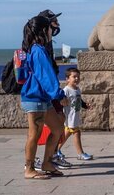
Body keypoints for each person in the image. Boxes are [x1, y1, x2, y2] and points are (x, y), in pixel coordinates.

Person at [20, 16, 68, 180]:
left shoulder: (36, 49)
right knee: (34, 133)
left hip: (42, 98)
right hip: (35, 98)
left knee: (57, 128)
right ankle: (29, 168)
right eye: (49, 29)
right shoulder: (38, 51)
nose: (51, 32)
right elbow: (46, 76)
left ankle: (47, 163)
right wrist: (59, 95)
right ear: (43, 30)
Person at [37, 9, 72, 169]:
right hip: (44, 92)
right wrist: (57, 94)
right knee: (37, 130)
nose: (57, 24)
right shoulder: (39, 44)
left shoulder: (48, 42)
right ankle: (36, 161)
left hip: (51, 90)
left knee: (59, 121)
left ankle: (52, 155)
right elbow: (44, 73)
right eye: (54, 21)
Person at [57, 68, 94, 160]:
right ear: (67, 79)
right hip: (69, 116)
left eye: (78, 76)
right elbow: (60, 102)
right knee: (76, 133)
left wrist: (85, 105)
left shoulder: (77, 89)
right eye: (74, 77)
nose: (76, 78)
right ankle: (80, 153)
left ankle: (56, 150)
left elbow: (79, 101)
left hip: (75, 115)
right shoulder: (66, 90)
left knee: (67, 134)